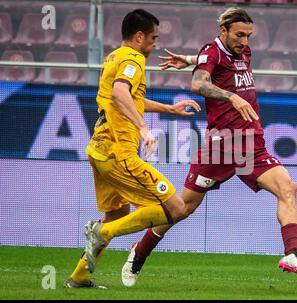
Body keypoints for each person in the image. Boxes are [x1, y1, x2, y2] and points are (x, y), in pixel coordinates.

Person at [121, 7, 297, 288]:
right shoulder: (213, 50)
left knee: (288, 188)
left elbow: (205, 59)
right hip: (221, 146)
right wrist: (231, 97)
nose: (245, 41)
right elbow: (198, 83)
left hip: (251, 144)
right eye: (239, 35)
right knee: (182, 208)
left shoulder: (242, 51)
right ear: (223, 31)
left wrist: (186, 59)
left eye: (248, 35)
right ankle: (140, 250)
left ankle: (292, 253)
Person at [64, 9, 200, 288]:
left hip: (99, 151)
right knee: (176, 208)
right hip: (119, 153)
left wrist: (168, 108)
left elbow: (124, 97)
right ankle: (103, 233)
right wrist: (143, 128)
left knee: (117, 212)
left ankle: (79, 277)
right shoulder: (134, 59)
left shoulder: (113, 57)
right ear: (139, 36)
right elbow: (120, 93)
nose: (154, 44)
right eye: (153, 38)